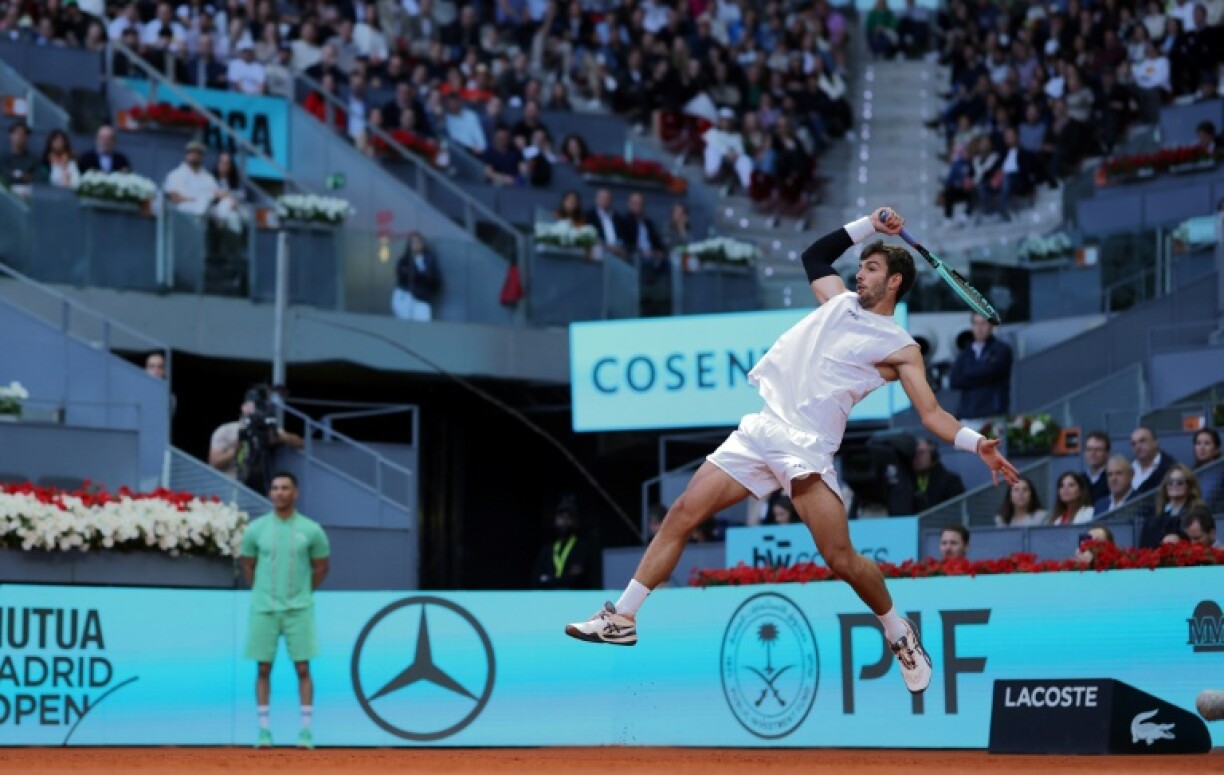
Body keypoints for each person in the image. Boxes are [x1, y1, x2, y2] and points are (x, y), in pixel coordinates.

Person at [565, 207, 1020, 700]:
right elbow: (815, 253)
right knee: (681, 513)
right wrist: (869, 223)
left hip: (806, 448)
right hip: (761, 430)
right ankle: (623, 617)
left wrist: (978, 444)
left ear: (893, 282)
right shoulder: (835, 301)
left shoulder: (900, 348)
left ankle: (898, 633)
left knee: (840, 558)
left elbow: (932, 416)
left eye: (869, 269)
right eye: (860, 266)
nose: (857, 273)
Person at [239, 472, 330, 750]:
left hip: (299, 610)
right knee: (263, 668)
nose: (279, 492)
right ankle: (264, 732)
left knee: (303, 668)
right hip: (264, 609)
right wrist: (262, 593)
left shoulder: (312, 530)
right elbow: (247, 564)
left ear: (295, 493)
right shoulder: (256, 529)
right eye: (275, 488)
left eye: (285, 488)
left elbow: (322, 567)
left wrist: (303, 592)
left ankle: (305, 733)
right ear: (270, 493)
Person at [209, 387, 305, 489]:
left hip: (257, 487)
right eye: (255, 404)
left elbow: (300, 443)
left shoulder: (267, 430)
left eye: (261, 406)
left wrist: (279, 437)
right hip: (229, 486)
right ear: (244, 407)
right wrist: (235, 451)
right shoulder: (226, 430)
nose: (258, 409)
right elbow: (214, 462)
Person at [949, 312, 1012, 425]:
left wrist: (968, 374)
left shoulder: (1001, 350)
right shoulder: (966, 352)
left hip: (992, 415)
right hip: (967, 415)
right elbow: (954, 380)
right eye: (976, 324)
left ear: (991, 326)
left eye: (983, 324)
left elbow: (990, 372)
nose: (979, 328)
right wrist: (982, 377)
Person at [531, 498, 596, 589]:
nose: (564, 521)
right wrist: (563, 578)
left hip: (575, 598)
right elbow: (537, 579)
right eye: (561, 517)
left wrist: (550, 579)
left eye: (568, 517)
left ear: (575, 522)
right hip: (548, 598)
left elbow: (578, 579)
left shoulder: (582, 549)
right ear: (554, 520)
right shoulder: (546, 551)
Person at [391, 231, 441, 322]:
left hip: (422, 298)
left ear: (423, 244)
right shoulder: (404, 260)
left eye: (418, 242)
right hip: (405, 296)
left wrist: (420, 277)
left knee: (422, 327)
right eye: (413, 242)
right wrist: (422, 276)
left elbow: (434, 280)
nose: (416, 244)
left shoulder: (430, 260)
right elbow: (405, 276)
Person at [911, 437, 965, 512]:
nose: (916, 457)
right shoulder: (907, 481)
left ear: (933, 456)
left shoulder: (951, 482)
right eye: (914, 453)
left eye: (921, 452)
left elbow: (957, 511)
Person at [1131, 426, 1177, 494]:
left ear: (1155, 442)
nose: (1138, 447)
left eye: (1142, 441)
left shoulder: (1171, 468)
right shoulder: (1129, 468)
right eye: (1134, 444)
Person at [0, 122, 38, 188]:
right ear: (10, 135)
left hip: (27, 193)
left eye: (23, 134)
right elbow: (4, 176)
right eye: (17, 133)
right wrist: (22, 176)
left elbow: (36, 178)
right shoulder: (3, 157)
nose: (20, 137)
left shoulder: (33, 159)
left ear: (27, 138)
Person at [1082, 431, 1111, 504]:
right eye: (1089, 449)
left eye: (1098, 450)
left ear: (1107, 453)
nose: (1093, 453)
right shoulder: (1080, 480)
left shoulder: (1113, 477)